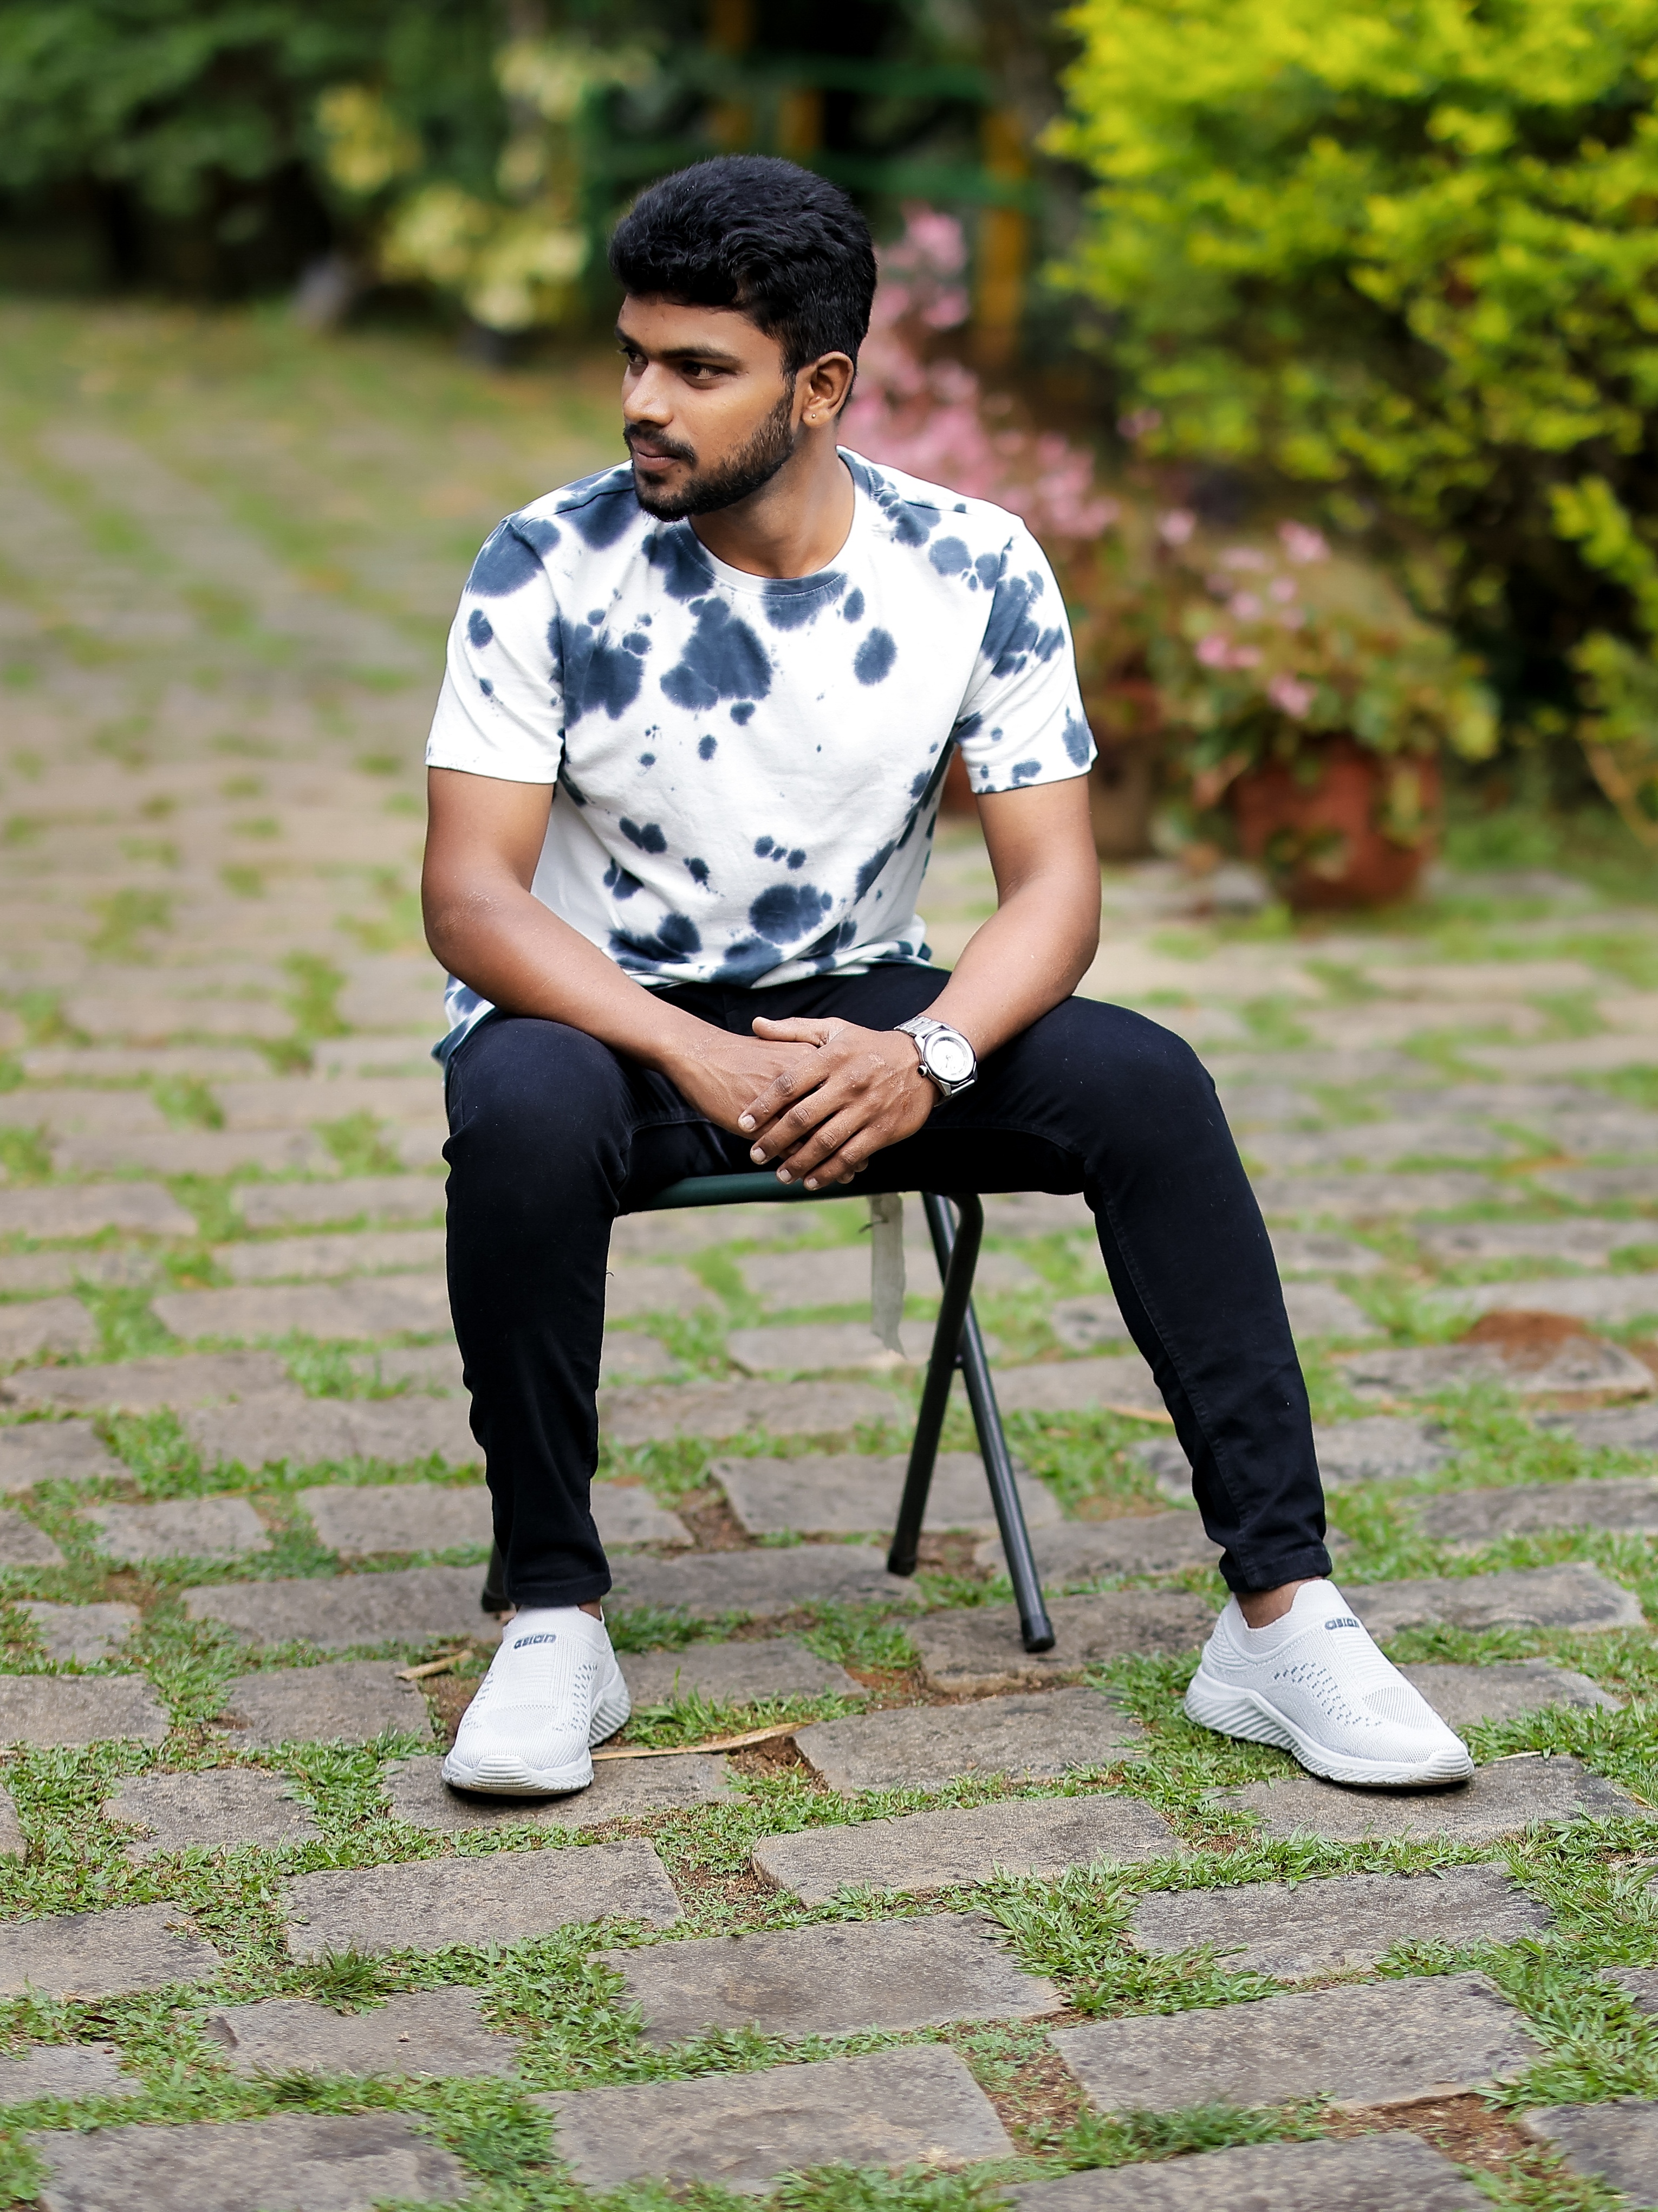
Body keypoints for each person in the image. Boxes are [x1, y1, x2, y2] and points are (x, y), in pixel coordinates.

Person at [420, 153, 1473, 1800]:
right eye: (633, 356)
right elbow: (473, 899)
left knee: (1149, 1083)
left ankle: (1283, 1616)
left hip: (864, 1009)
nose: (644, 403)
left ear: (821, 387)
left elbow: (1056, 890)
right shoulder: (547, 561)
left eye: (697, 369)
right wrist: (691, 1054)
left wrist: (931, 1056)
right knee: (522, 1106)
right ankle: (554, 1615)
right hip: (606, 1019)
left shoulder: (971, 562)